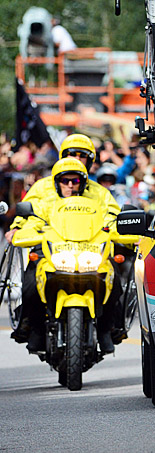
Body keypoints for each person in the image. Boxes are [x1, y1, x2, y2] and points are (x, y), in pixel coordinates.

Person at [7, 133, 120, 353]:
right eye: (71, 154)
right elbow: (29, 213)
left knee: (114, 279)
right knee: (31, 283)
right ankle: (36, 328)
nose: (76, 159)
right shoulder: (42, 187)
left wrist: (117, 228)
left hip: (91, 249)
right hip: (51, 248)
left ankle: (107, 328)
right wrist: (18, 227)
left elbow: (113, 216)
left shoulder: (100, 192)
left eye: (82, 155)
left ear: (90, 160)